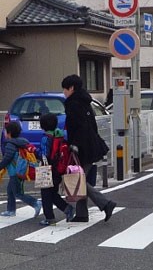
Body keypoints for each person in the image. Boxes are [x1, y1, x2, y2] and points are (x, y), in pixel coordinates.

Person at [61, 74, 116, 222]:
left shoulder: (73, 104)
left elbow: (79, 127)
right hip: (91, 145)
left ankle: (105, 203)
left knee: (78, 179)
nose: (64, 93)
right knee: (80, 178)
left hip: (82, 147)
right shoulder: (84, 101)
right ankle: (82, 214)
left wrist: (74, 145)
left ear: (71, 88)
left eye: (65, 89)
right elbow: (90, 125)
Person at [37, 113, 74, 226]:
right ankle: (67, 208)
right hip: (59, 169)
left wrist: (34, 151)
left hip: (47, 169)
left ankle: (50, 218)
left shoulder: (45, 138)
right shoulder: (60, 135)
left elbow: (44, 155)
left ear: (43, 125)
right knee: (53, 193)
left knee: (46, 194)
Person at [0, 121, 42, 217]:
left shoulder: (10, 144)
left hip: (15, 172)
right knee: (10, 190)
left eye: (5, 132)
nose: (5, 134)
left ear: (9, 133)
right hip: (21, 170)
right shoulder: (22, 141)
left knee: (18, 193)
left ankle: (35, 203)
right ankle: (11, 210)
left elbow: (7, 158)